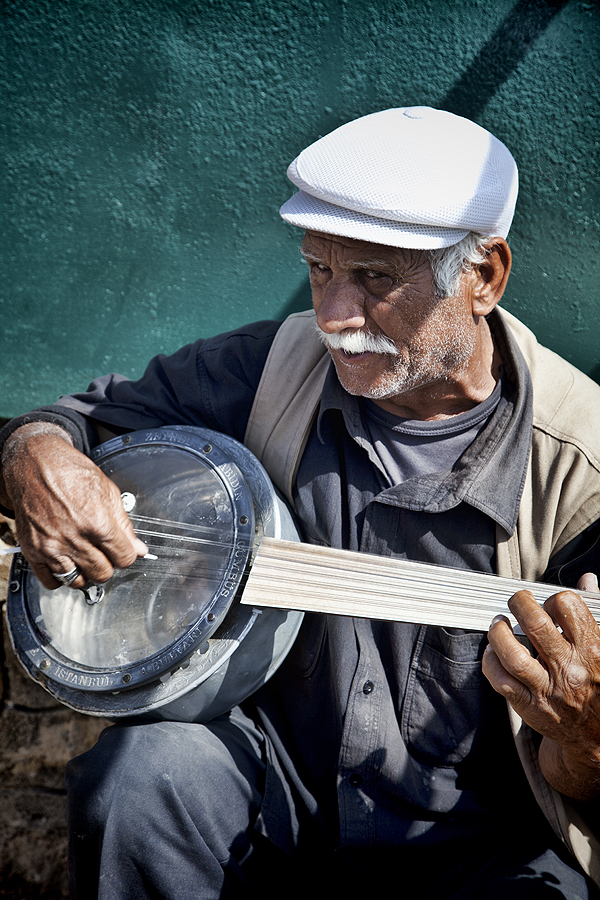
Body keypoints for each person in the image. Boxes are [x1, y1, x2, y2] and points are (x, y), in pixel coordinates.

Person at [2, 106, 600, 899]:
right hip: (279, 799)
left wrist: (585, 740)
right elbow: (77, 419)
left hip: (481, 844)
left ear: (484, 276)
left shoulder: (584, 472)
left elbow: (584, 762)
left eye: (375, 279)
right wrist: (33, 456)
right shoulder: (272, 367)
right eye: (320, 269)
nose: (333, 316)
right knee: (143, 782)